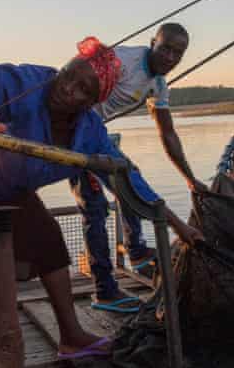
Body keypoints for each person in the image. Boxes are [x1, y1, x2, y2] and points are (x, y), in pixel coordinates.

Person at [0, 38, 203, 357]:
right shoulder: (29, 82)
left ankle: (71, 335)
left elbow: (128, 179)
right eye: (67, 76)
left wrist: (176, 224)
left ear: (92, 103)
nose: (67, 88)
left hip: (5, 183)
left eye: (82, 89)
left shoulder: (90, 132)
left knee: (49, 240)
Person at [72, 23, 206, 313]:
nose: (170, 57)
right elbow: (73, 84)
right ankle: (105, 292)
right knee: (95, 208)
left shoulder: (157, 85)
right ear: (152, 43)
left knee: (130, 180)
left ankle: (137, 252)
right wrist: (179, 225)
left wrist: (190, 179)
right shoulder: (122, 61)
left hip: (96, 134)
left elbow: (167, 134)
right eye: (166, 48)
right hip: (73, 132)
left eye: (178, 53)